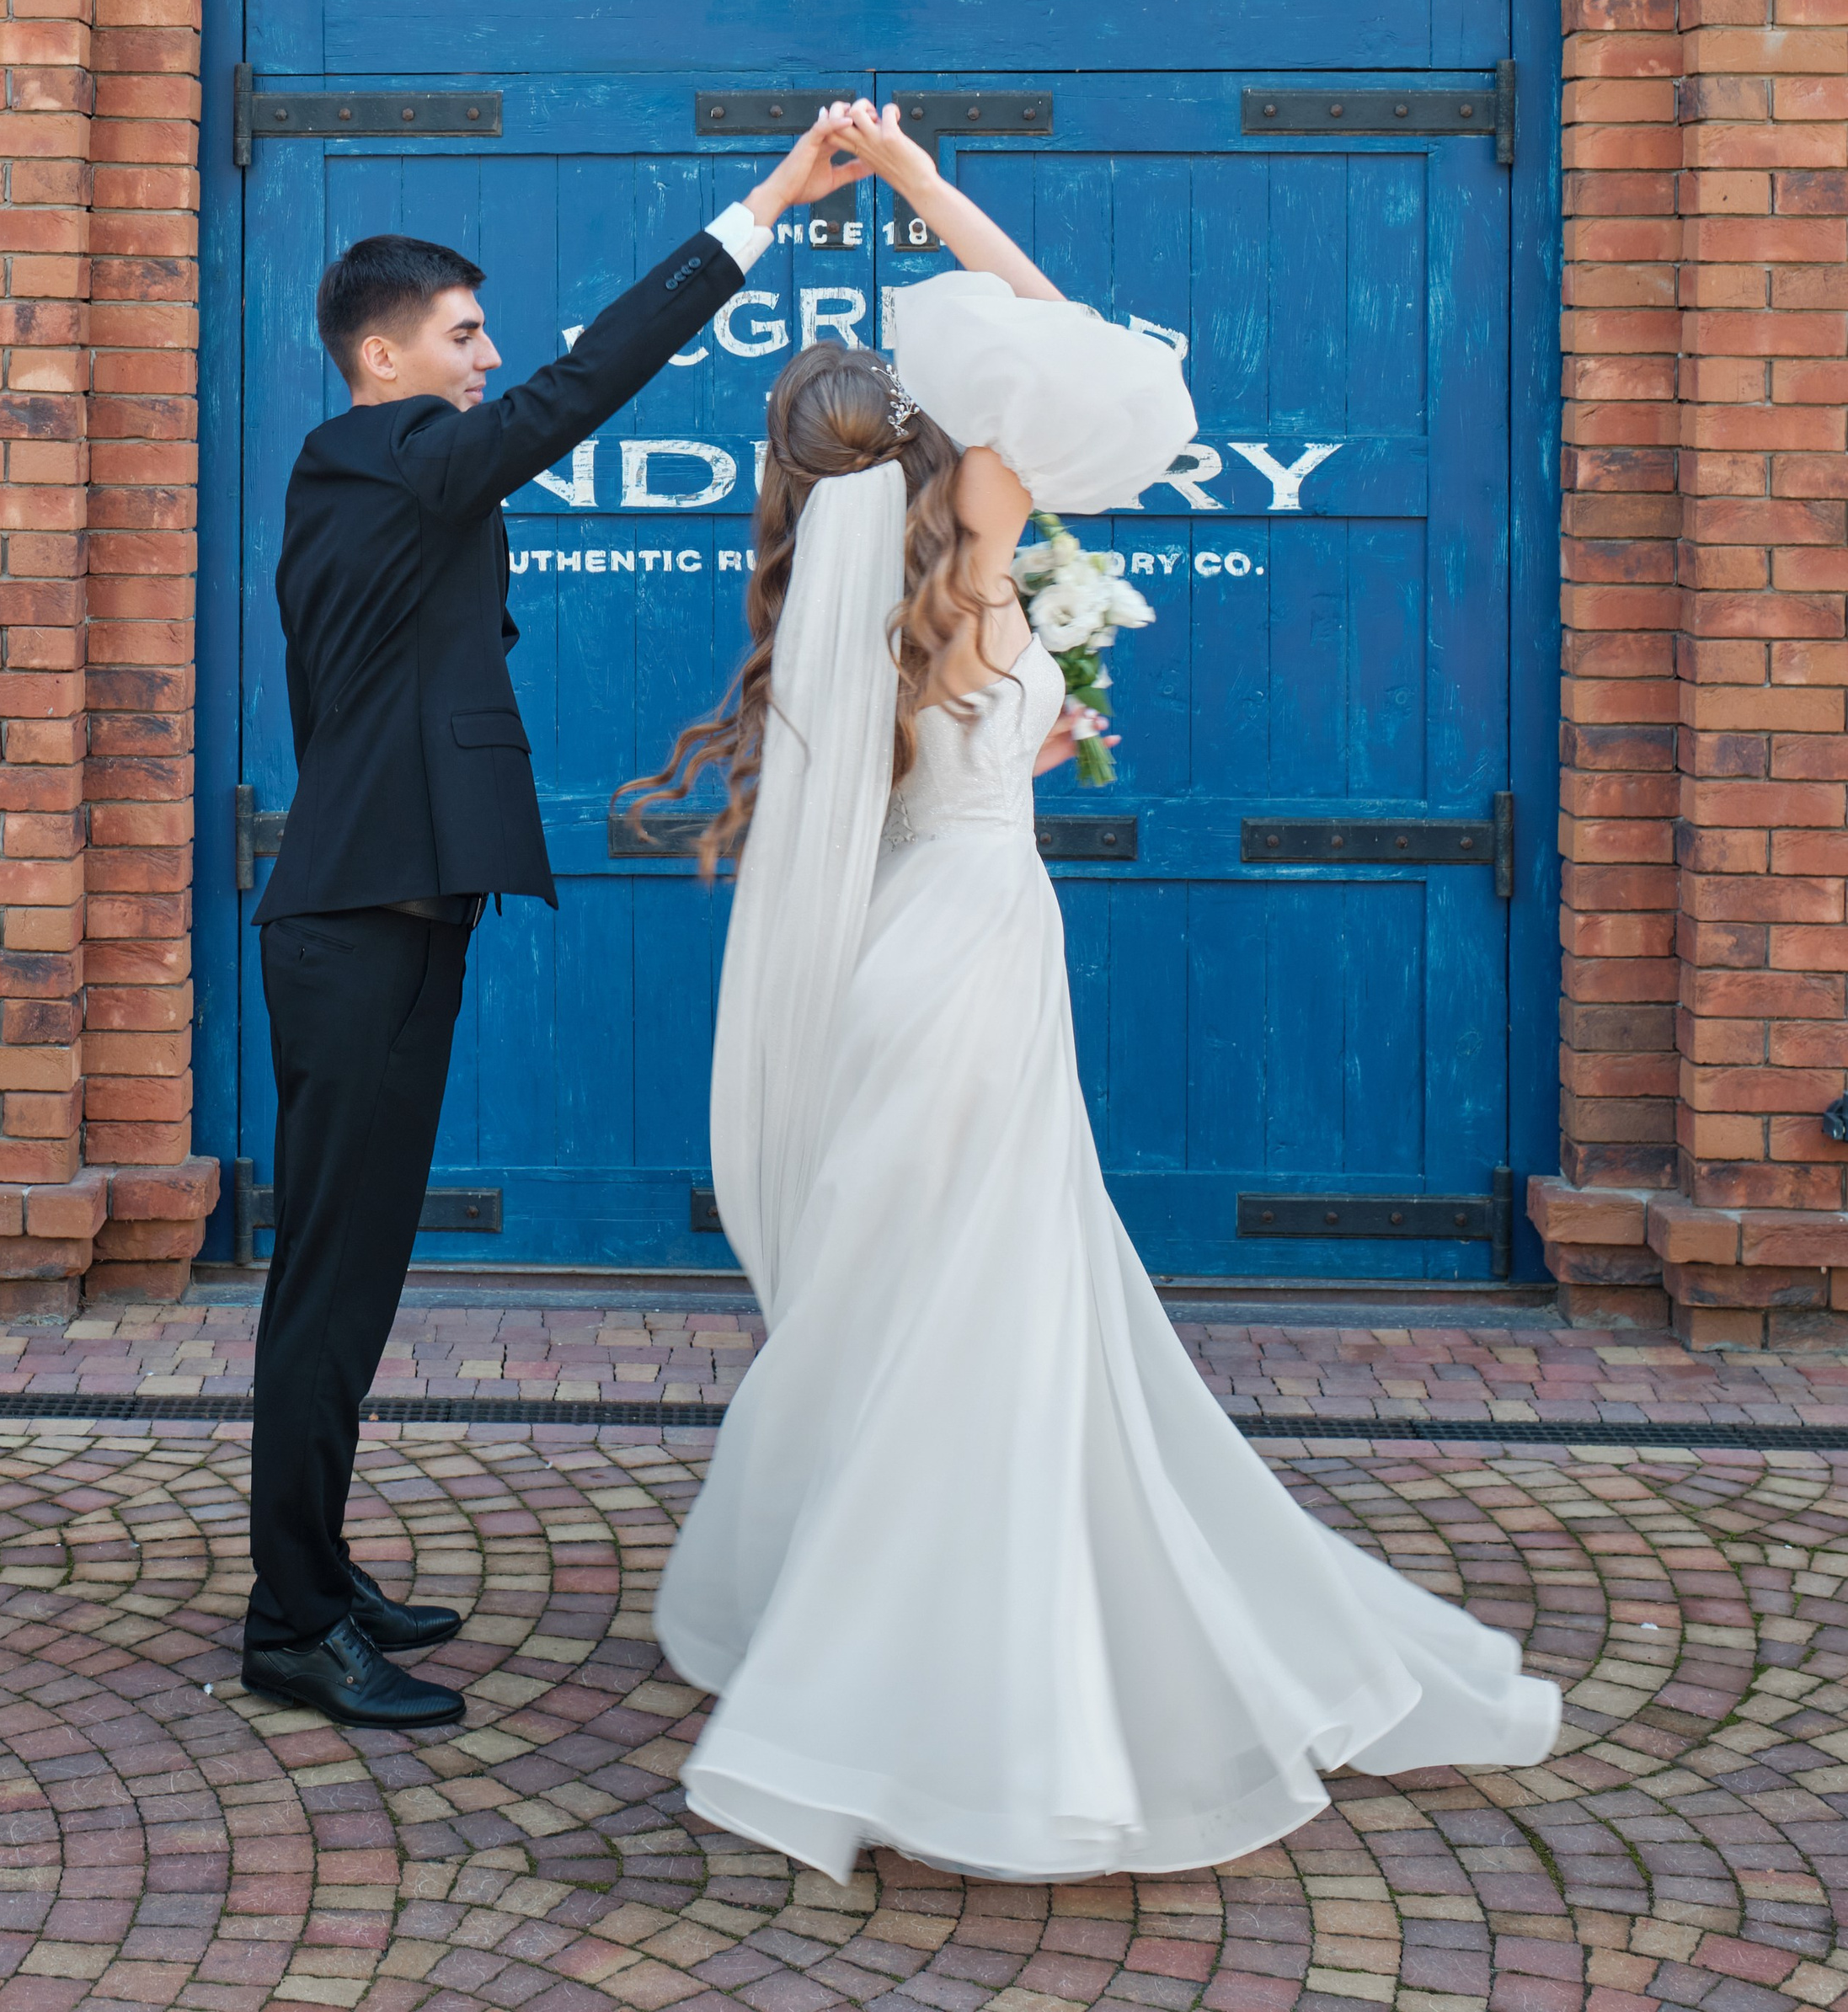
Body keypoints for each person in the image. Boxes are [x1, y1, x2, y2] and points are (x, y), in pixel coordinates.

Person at [638, 97, 1562, 1883]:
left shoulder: (850, 630)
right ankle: (953, 1655)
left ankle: (874, 1611)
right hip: (984, 953)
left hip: (904, 955)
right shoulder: (983, 559)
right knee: (1001, 1288)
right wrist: (915, 185)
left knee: (907, 1288)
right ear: (933, 444)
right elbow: (1072, 338)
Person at [243, 109, 865, 1732]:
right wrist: (771, 205)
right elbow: (582, 388)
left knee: (354, 1274)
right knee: (330, 1281)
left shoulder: (387, 483)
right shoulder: (373, 461)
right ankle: (293, 1624)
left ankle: (315, 1571)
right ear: (381, 360)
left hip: (392, 913)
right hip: (355, 929)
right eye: (462, 336)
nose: (489, 357)